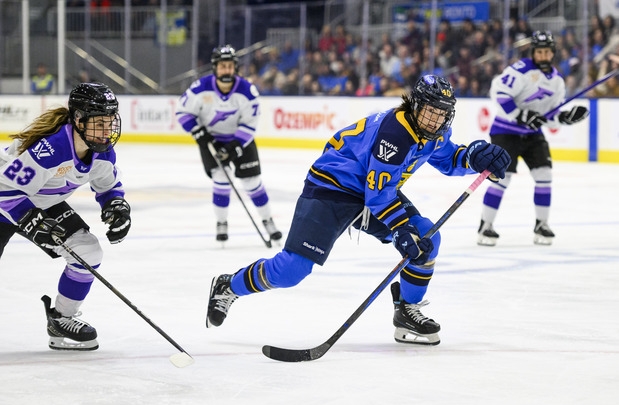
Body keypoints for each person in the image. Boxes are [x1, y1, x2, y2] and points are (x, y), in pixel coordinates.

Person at [206, 74, 511, 345]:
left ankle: (407, 310)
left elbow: (447, 159)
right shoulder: (395, 133)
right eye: (431, 112)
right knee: (292, 270)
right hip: (332, 187)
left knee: (426, 236)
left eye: (441, 114)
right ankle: (229, 286)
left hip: (372, 189)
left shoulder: (435, 131)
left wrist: (474, 157)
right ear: (416, 105)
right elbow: (378, 195)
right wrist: (400, 229)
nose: (435, 120)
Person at [0, 83, 131, 351]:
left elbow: (108, 186)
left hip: (42, 202)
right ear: (79, 120)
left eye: (110, 122)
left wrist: (116, 206)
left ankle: (61, 319)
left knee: (88, 251)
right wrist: (30, 219)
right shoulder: (53, 148)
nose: (107, 130)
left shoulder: (102, 150)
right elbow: (5, 190)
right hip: (6, 200)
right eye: (100, 123)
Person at [477, 31, 589, 247]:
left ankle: (542, 224)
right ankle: (485, 225)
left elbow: (549, 116)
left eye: (547, 52)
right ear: (533, 53)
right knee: (502, 178)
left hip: (532, 134)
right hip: (506, 131)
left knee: (544, 174)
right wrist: (521, 115)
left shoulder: (557, 81)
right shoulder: (521, 70)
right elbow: (499, 93)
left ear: (553, 53)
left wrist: (564, 118)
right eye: (539, 52)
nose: (543, 56)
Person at [176, 44, 282, 244]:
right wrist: (198, 132)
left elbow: (251, 123)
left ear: (235, 68)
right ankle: (221, 222)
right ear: (215, 67)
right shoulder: (200, 88)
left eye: (230, 66)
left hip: (240, 140)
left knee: (252, 182)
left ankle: (268, 220)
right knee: (221, 179)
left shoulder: (247, 90)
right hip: (211, 140)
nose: (226, 70)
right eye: (222, 66)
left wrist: (236, 145)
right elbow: (183, 112)